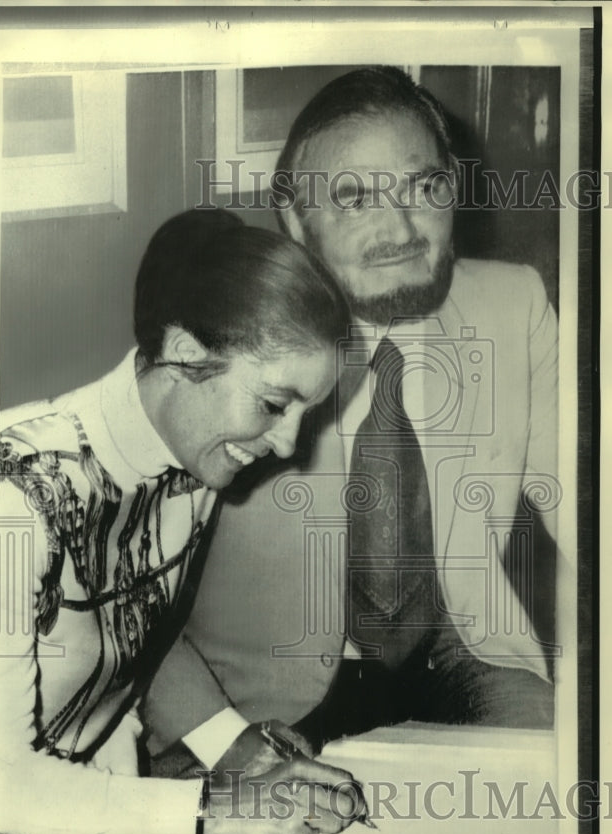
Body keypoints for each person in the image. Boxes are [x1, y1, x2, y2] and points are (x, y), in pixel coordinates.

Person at [143, 67, 561, 777]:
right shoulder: (219, 335)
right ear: (295, 223)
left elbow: (599, 511)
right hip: (251, 703)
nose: (399, 229)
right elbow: (128, 610)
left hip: (463, 658)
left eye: (423, 187)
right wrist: (226, 742)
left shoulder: (514, 306)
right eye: (353, 199)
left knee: (558, 780)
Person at [0, 208, 365, 834]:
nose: (287, 444)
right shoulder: (2, 499)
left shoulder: (195, 452)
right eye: (274, 405)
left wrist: (245, 752)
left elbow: (126, 626)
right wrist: (219, 807)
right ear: (185, 354)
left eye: (305, 412)